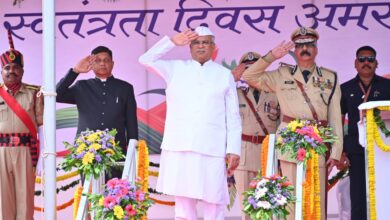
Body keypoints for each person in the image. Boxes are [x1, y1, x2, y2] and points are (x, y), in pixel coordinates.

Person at [139, 26, 242, 220]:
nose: (201, 46)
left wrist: (234, 148)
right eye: (196, 42)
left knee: (214, 201)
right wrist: (171, 42)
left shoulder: (223, 75)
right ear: (190, 47)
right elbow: (144, 60)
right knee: (184, 206)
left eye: (205, 42)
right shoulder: (174, 68)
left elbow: (233, 115)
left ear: (214, 47)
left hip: (211, 148)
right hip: (180, 146)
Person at [241, 27, 343, 219]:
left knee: (315, 196)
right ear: (294, 50)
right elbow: (249, 76)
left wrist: (336, 151)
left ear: (316, 49)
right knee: (290, 197)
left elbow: (335, 115)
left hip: (317, 143)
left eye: (310, 44)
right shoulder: (282, 74)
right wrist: (272, 56)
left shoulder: (330, 77)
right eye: (300, 45)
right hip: (288, 141)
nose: (305, 48)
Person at [56, 46, 138, 178]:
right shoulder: (81, 86)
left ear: (112, 63)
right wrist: (75, 71)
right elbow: (57, 94)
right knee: (89, 194)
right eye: (98, 60)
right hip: (87, 151)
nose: (102, 63)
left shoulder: (125, 88)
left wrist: (133, 147)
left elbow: (131, 121)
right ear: (91, 64)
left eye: (106, 60)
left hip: (116, 150)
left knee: (115, 194)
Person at [340, 45, 390, 220]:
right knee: (358, 196)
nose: (366, 62)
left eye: (370, 59)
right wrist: (340, 150)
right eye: (362, 59)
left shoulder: (387, 86)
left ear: (377, 63)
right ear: (355, 63)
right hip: (356, 150)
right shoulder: (345, 88)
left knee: (385, 192)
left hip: (383, 150)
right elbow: (339, 122)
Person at [0, 30, 43, 220]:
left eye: (16, 67)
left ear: (22, 71)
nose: (11, 71)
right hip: (0, 150)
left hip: (26, 149)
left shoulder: (34, 93)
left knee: (25, 199)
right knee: (3, 200)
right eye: (7, 67)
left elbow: (42, 123)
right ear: (1, 71)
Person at [232, 52, 280, 220]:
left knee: (269, 203)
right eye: (246, 68)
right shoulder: (233, 92)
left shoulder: (275, 92)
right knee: (247, 206)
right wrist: (231, 79)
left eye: (255, 67)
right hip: (242, 156)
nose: (251, 71)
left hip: (268, 153)